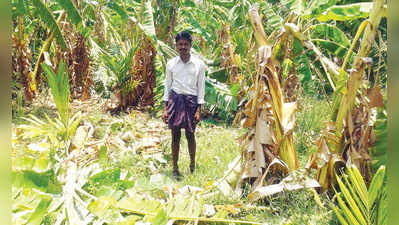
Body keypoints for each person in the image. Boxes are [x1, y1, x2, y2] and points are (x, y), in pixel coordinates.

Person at [162, 31, 206, 180]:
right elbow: (167, 86)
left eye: (185, 44)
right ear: (176, 46)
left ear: (190, 46)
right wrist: (165, 109)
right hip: (175, 101)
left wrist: (199, 110)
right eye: (180, 44)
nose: (183, 47)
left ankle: (192, 166)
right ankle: (175, 168)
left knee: (190, 135)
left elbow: (201, 89)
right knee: (175, 136)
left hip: (191, 102)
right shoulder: (171, 64)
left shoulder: (199, 65)